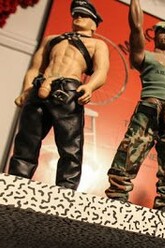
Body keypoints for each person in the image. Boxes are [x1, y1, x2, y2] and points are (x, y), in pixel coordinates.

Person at [106, 0, 165, 211]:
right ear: (155, 35)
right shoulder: (145, 56)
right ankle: (115, 202)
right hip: (148, 112)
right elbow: (136, 27)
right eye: (163, 31)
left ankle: (164, 211)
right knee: (128, 156)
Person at [8, 0, 109, 190]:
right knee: (27, 139)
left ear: (94, 24)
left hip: (68, 91)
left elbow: (101, 71)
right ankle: (16, 184)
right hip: (40, 88)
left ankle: (66, 190)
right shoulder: (52, 39)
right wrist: (26, 90)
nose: (78, 17)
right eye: (76, 14)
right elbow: (35, 68)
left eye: (84, 15)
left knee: (70, 144)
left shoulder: (97, 44)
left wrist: (90, 86)